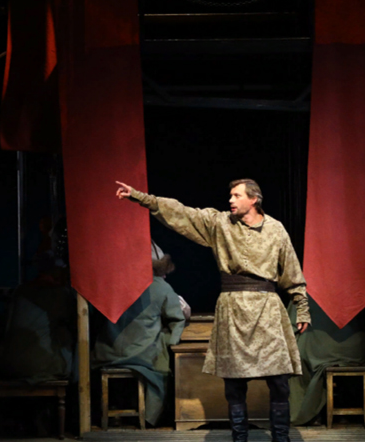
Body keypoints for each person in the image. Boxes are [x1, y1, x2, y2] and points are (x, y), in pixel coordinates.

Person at [116, 179, 310, 442]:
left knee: (278, 380)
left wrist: (302, 307)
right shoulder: (220, 223)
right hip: (233, 308)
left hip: (267, 308)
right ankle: (239, 438)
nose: (230, 200)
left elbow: (292, 271)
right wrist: (140, 197)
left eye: (237, 195)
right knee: (234, 383)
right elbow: (181, 212)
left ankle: (281, 438)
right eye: (230, 195)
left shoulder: (276, 229)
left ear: (254, 199)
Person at [92, 241, 188, 427]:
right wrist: (171, 343)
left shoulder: (113, 284)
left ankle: (112, 410)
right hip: (141, 355)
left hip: (107, 352)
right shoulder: (161, 287)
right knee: (164, 365)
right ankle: (150, 417)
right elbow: (177, 320)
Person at [287, 296, 365, 425]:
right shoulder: (361, 291)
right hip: (356, 351)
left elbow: (291, 325)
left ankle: (309, 413)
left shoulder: (307, 291)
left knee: (298, 356)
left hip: (316, 350)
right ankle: (357, 409)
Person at [0, 266, 76, 383]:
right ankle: (76, 383)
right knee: (71, 336)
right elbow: (74, 322)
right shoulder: (58, 293)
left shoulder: (20, 290)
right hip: (41, 366)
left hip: (8, 365)